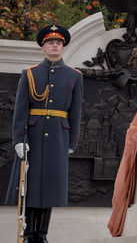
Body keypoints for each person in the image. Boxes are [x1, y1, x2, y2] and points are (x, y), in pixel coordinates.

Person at [5, 24, 83, 243]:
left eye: (58, 42)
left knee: (50, 187)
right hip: (33, 136)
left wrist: (71, 142)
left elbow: (75, 112)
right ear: (43, 47)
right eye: (50, 42)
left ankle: (42, 234)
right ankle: (29, 234)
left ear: (63, 47)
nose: (55, 45)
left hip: (58, 137)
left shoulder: (75, 76)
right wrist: (18, 139)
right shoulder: (30, 74)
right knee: (30, 186)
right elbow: (21, 110)